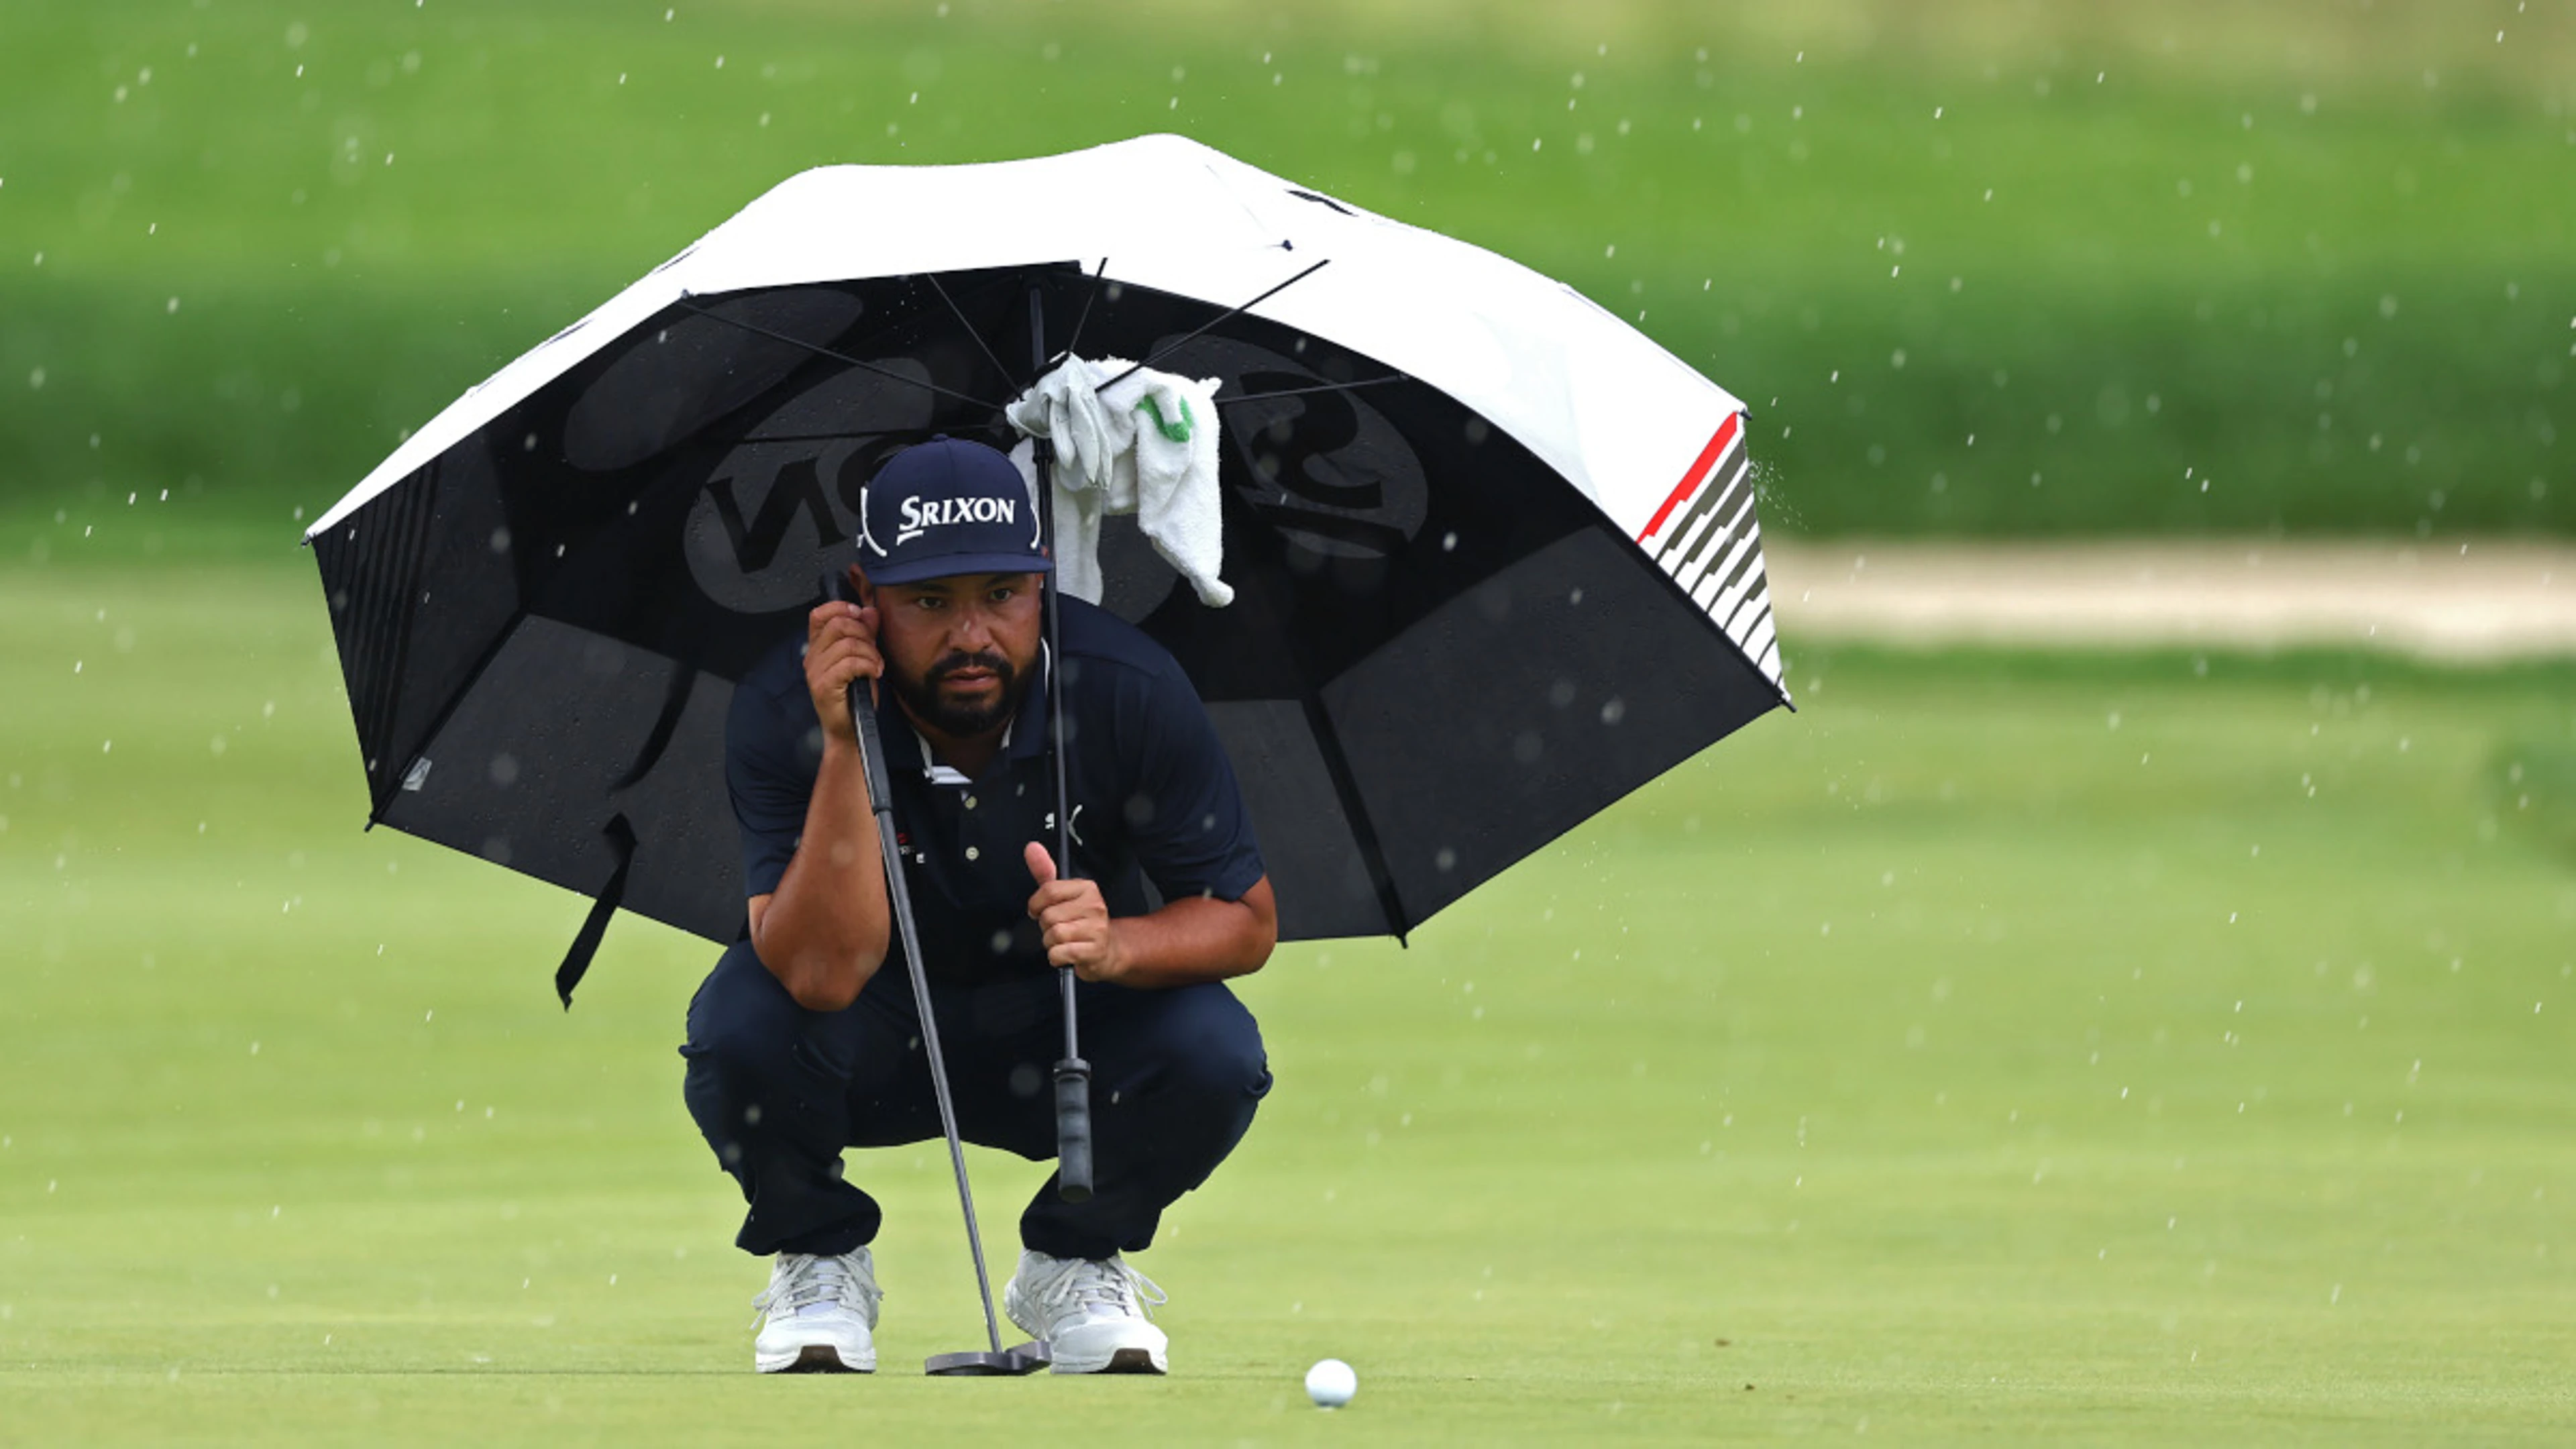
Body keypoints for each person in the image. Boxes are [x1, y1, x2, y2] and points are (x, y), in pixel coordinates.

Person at [680, 435, 1277, 1376]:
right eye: (929, 602)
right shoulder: (785, 706)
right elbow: (818, 975)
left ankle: (1072, 1260)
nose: (971, 636)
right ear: (861, 600)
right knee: (737, 1028)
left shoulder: (1127, 688)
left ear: (1042, 587)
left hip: (1067, 1039)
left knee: (1217, 1051)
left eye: (1001, 595)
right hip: (870, 1033)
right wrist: (846, 744)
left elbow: (1246, 920)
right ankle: (823, 1255)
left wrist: (1117, 944)